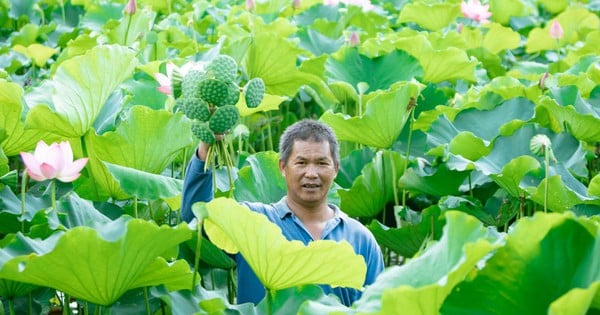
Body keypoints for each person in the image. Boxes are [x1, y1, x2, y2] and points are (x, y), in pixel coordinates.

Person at [181, 119, 384, 306]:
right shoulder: (253, 222)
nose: (311, 173)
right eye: (301, 163)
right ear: (282, 167)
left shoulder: (361, 238)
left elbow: (377, 307)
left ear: (336, 168)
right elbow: (196, 216)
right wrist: (206, 148)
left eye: (321, 163)